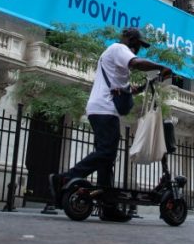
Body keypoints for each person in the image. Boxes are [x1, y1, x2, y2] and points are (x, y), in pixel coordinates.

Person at [50, 28, 172, 205]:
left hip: (101, 109)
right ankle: (64, 178)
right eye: (137, 44)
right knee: (107, 152)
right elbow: (136, 63)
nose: (138, 49)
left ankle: (107, 205)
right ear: (129, 39)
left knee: (106, 159)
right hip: (104, 110)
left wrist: (144, 87)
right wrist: (160, 67)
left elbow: (125, 89)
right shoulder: (118, 48)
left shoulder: (115, 58)